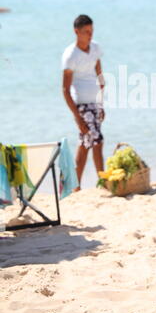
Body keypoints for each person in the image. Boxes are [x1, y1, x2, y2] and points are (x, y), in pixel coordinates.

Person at [62, 14, 105, 190]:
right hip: (82, 105)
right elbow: (65, 89)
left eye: (91, 31)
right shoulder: (70, 55)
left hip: (95, 102)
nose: (90, 35)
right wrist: (77, 117)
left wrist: (101, 103)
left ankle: (76, 185)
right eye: (86, 32)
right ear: (76, 32)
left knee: (89, 143)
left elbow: (99, 72)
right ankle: (99, 182)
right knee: (94, 141)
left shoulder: (95, 48)